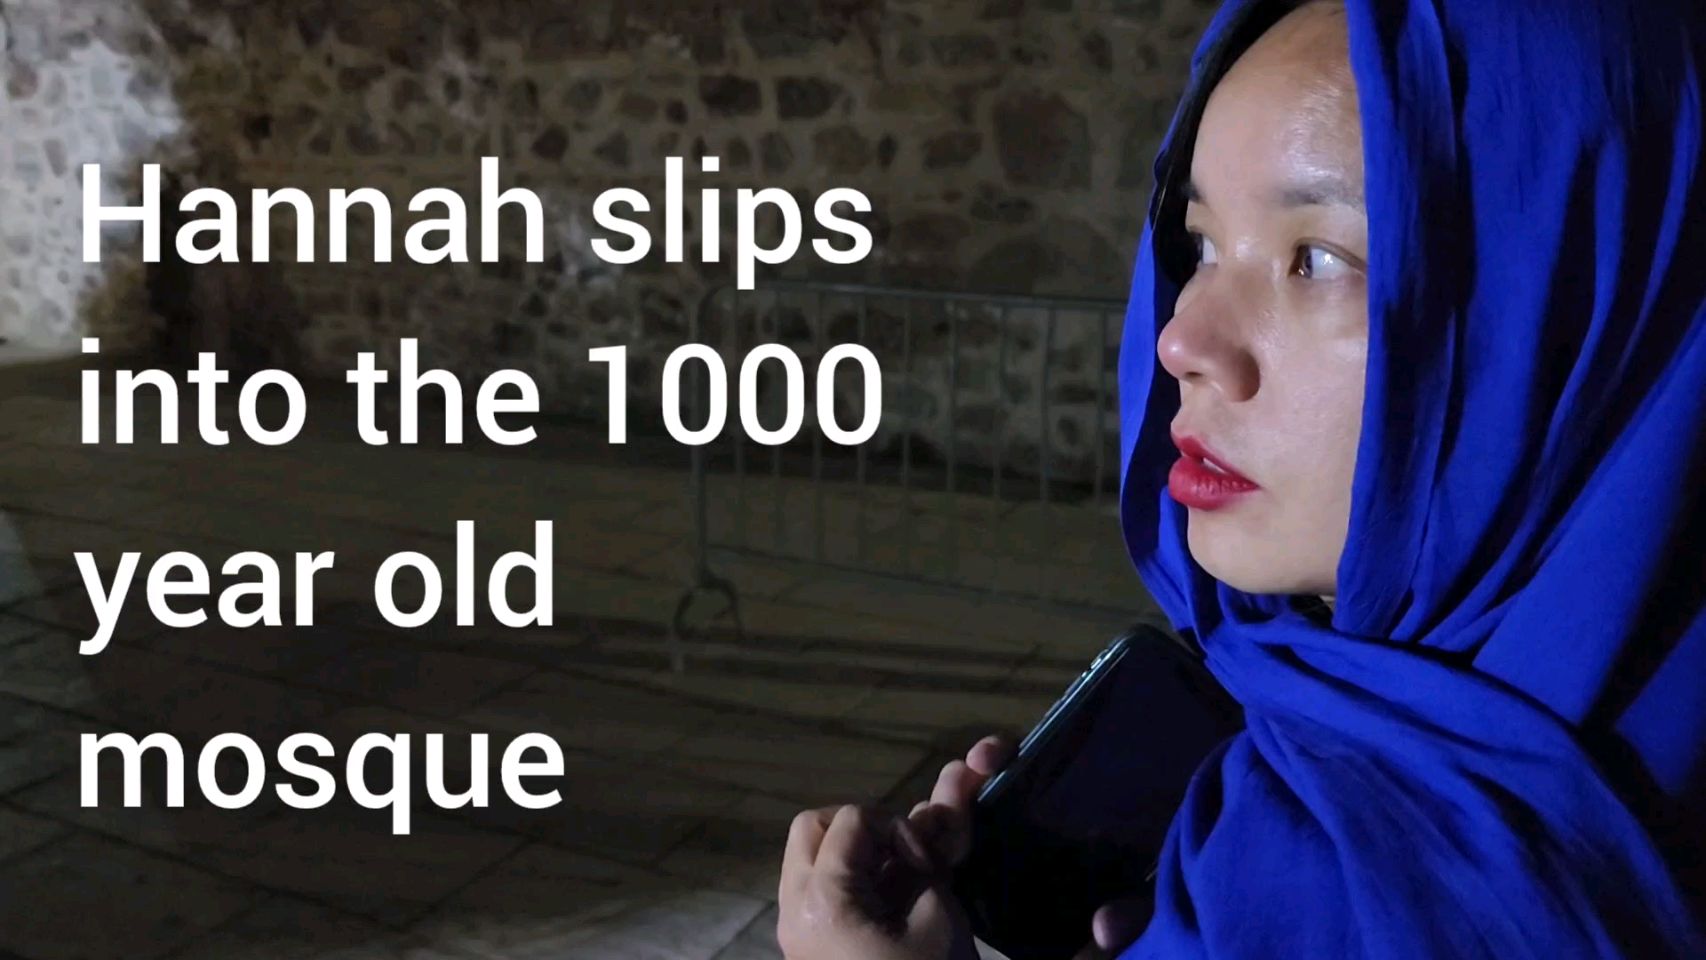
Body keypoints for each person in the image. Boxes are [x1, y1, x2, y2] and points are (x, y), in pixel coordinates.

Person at [776, 0, 1706, 956]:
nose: (1182, 340)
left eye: (1319, 259)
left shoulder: (1426, 912)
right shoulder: (1292, 715)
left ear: (1572, 316)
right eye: (1203, 246)